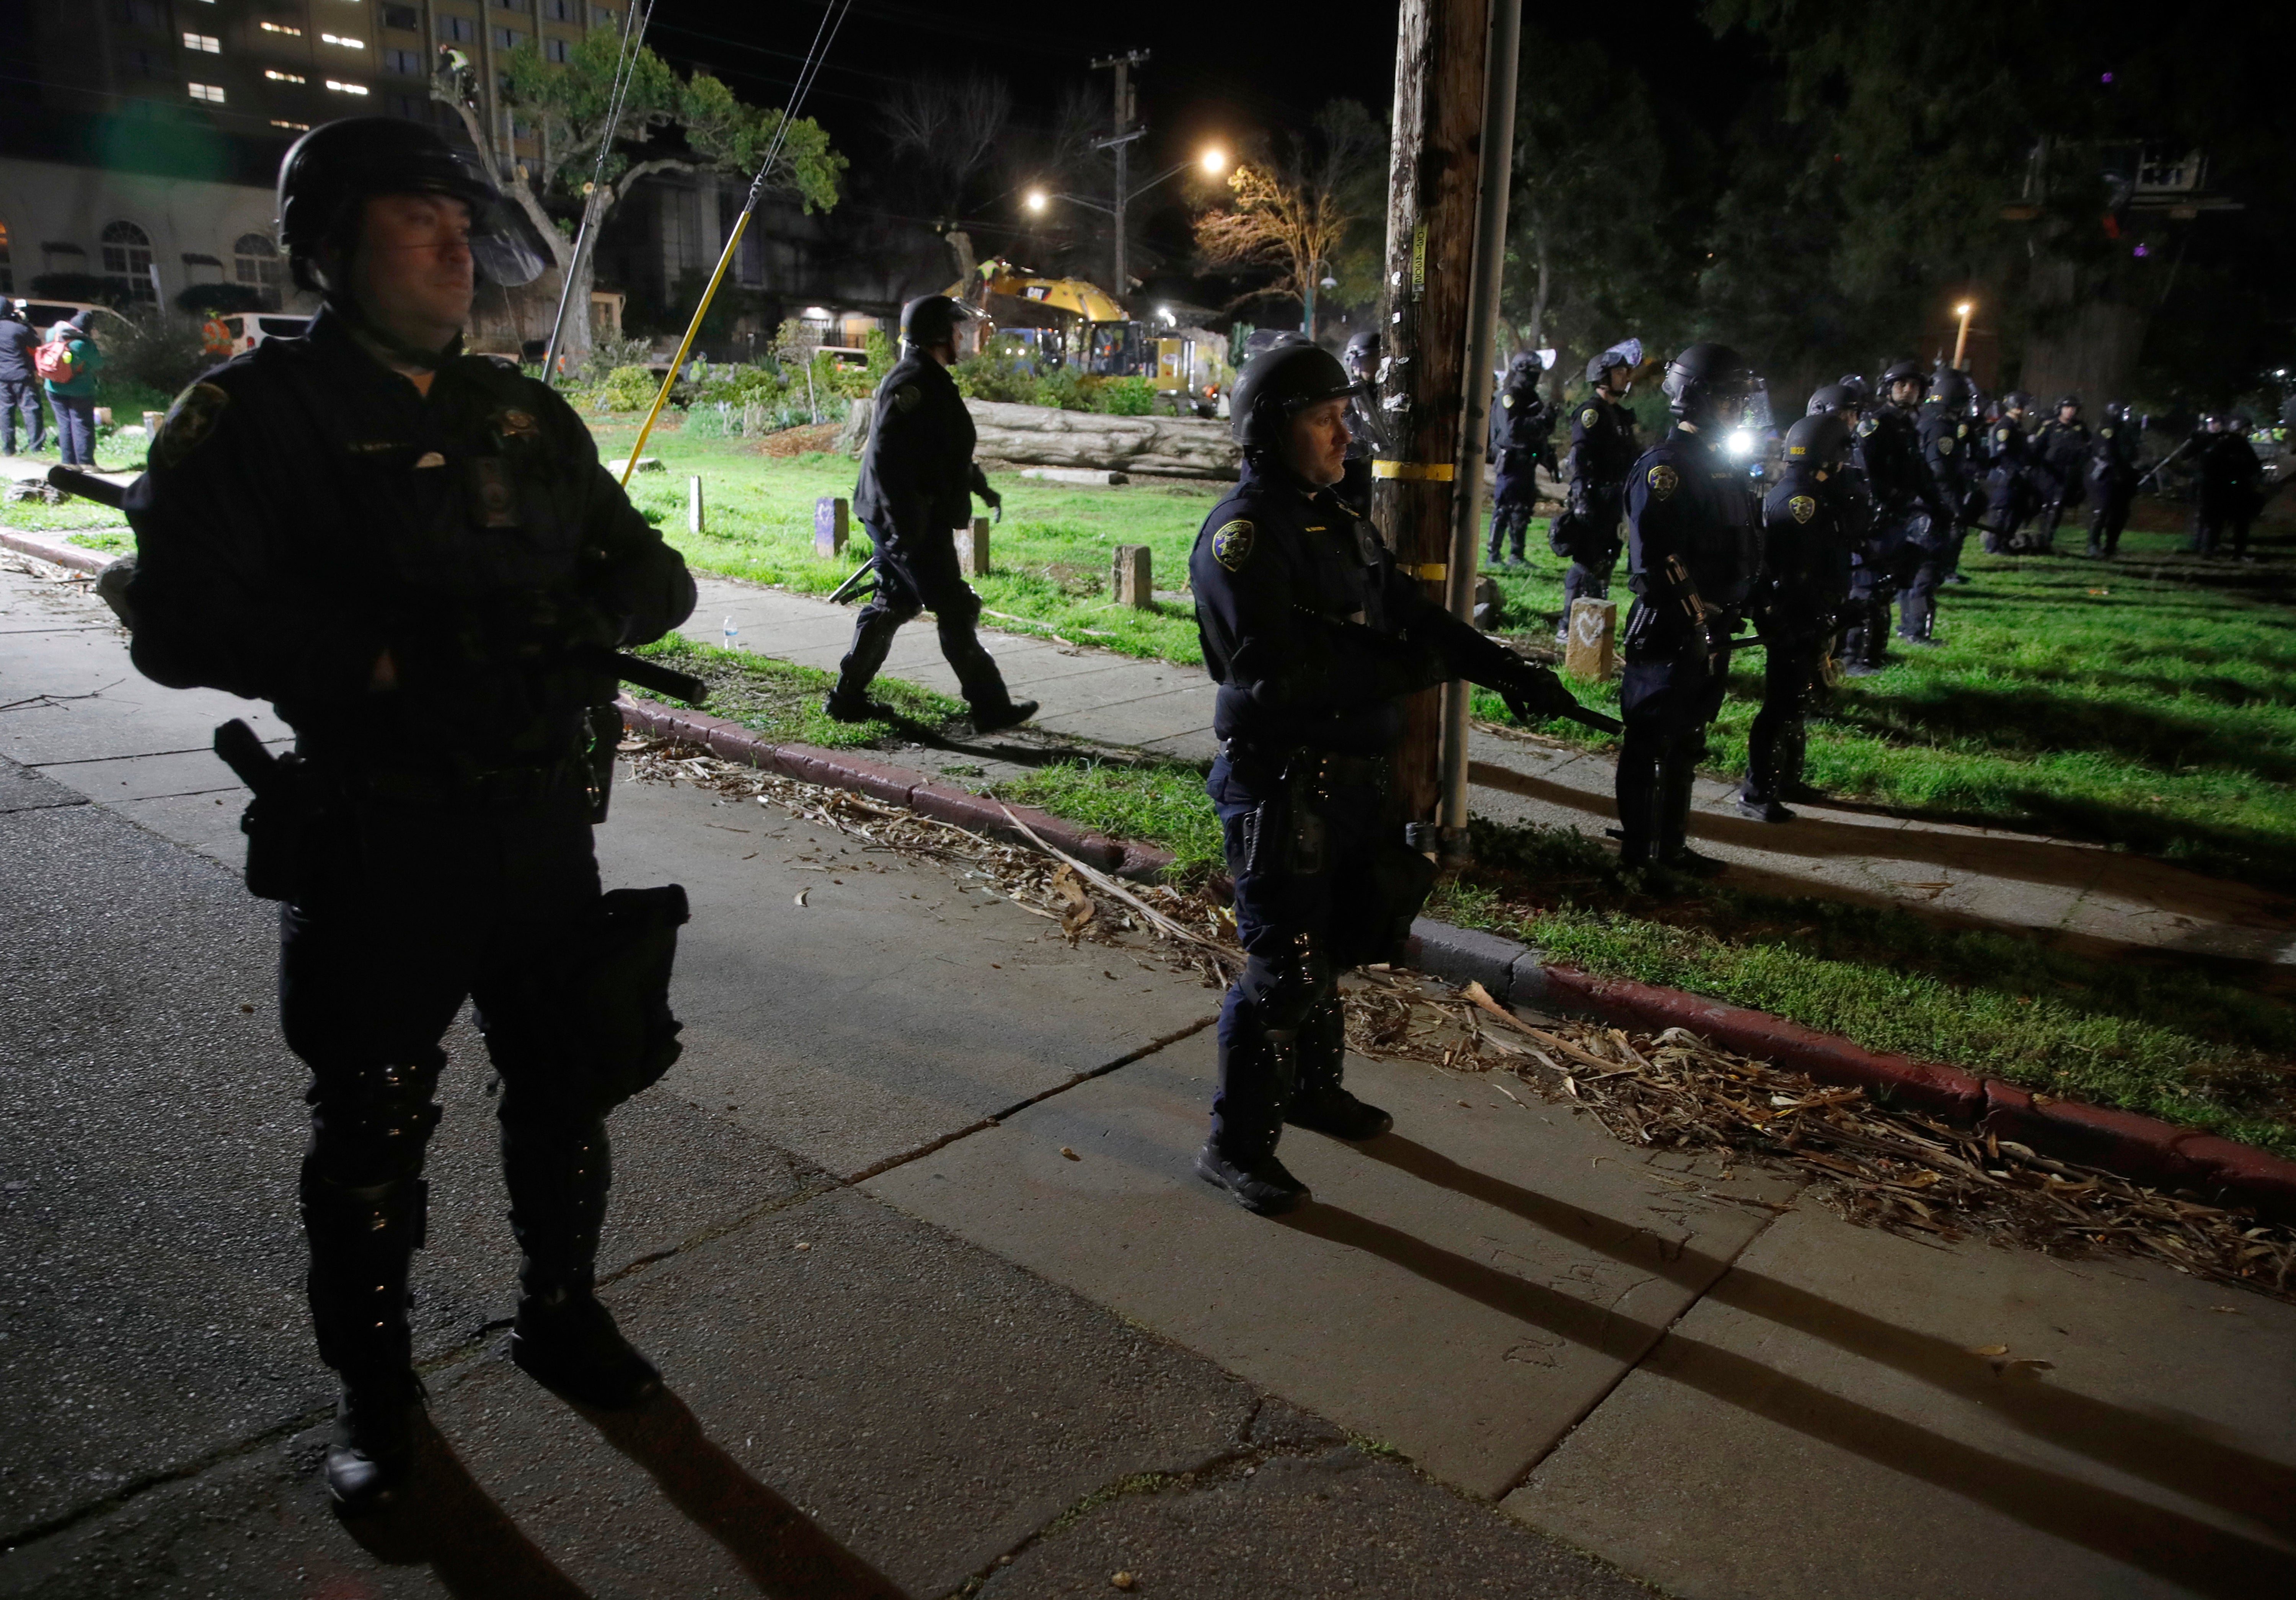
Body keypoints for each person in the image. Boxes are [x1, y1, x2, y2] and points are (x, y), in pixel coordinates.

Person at [119, 118, 698, 1512]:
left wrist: (577, 622)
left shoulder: (519, 414)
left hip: (539, 828)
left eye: (459, 219)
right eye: (413, 218)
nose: (453, 245)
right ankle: (378, 1401)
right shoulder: (257, 418)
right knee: (373, 1134)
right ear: (329, 247)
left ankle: (561, 1310)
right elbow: (177, 617)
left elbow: (657, 578)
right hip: (381, 836)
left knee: (564, 1088)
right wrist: (376, 661)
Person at [1187, 341, 1585, 1215]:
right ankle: (1235, 1145)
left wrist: (1502, 667)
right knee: (1284, 967)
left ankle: (1312, 1091)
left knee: (1330, 946)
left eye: (1343, 416)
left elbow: (1410, 614)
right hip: (1279, 777)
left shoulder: (1336, 518)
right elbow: (1280, 677)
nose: (1343, 433)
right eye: (1322, 419)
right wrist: (1421, 672)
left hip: (1348, 779)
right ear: (1269, 429)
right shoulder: (1245, 535)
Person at [828, 294, 1035, 730]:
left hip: (910, 518)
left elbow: (941, 450)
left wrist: (981, 487)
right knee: (954, 606)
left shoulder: (931, 378)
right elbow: (887, 458)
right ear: (939, 335)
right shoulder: (914, 382)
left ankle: (845, 699)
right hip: (909, 520)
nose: (965, 337)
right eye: (958, 330)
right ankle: (990, 706)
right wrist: (904, 527)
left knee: (893, 603)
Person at [1616, 342, 1762, 872]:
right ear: (1696, 400)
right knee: (1651, 745)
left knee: (1686, 743)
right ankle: (1639, 858)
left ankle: (1670, 847)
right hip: (1670, 629)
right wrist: (1695, 619)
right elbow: (1655, 561)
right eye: (1730, 401)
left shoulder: (1721, 466)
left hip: (1712, 627)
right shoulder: (1668, 468)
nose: (1739, 411)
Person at [1740, 411, 1862, 822]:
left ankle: (1784, 780)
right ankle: (1757, 792)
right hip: (1792, 618)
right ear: (1826, 455)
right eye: (1840, 455)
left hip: (1804, 616)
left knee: (1795, 701)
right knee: (1780, 705)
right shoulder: (1801, 501)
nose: (1844, 464)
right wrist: (1802, 616)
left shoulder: (1810, 493)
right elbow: (1795, 570)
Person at [1844, 359, 1949, 666]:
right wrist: (1884, 502)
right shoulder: (1875, 424)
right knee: (1865, 587)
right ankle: (1854, 656)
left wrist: (1938, 505)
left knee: (1886, 587)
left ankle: (1875, 652)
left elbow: (1920, 474)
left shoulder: (1908, 427)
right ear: (1888, 388)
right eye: (1901, 384)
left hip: (1899, 517)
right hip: (1876, 519)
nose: (1908, 390)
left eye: (1914, 386)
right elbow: (1865, 471)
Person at [1553, 341, 1642, 638]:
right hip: (1594, 498)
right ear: (1603, 376)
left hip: (1615, 501)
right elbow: (1581, 456)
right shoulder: (1592, 413)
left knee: (1607, 561)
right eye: (1620, 372)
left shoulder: (1620, 416)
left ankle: (1591, 623)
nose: (1626, 377)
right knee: (1587, 562)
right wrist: (1581, 497)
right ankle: (1569, 625)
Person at [1485, 349, 1553, 568]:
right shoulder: (1509, 396)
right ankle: (1493, 556)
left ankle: (1517, 555)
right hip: (1511, 462)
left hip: (1527, 463)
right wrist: (1541, 420)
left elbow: (1541, 431)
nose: (1536, 376)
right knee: (1504, 508)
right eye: (1532, 371)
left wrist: (1547, 425)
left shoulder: (1532, 397)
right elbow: (1513, 430)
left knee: (1522, 510)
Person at [2195, 413, 2264, 561]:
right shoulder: (2238, 444)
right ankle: (2237, 552)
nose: (2249, 433)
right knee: (2240, 522)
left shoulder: (2220, 443)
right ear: (2239, 428)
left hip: (2219, 489)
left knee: (2217, 522)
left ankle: (2209, 550)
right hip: (2232, 489)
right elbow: (2253, 465)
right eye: (2247, 429)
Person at [2028, 394, 2090, 553]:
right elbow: (2036, 448)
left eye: (2073, 409)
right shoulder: (2050, 426)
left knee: (2058, 506)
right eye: (2067, 408)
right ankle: (2038, 536)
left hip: (2068, 472)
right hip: (2049, 471)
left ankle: (2048, 538)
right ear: (2060, 409)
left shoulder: (2080, 428)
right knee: (2044, 505)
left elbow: (2088, 447)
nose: (2070, 412)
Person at [42, 311, 104, 468]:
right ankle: (86, 463)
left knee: (64, 424)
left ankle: (68, 462)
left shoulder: (52, 333)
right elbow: (99, 364)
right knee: (82, 424)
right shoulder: (84, 345)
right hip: (80, 390)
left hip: (54, 387)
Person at [2085, 402, 2141, 558]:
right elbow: (2108, 453)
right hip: (2107, 476)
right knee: (2102, 511)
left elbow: (2133, 453)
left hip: (2123, 476)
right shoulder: (2106, 429)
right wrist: (2119, 470)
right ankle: (2093, 545)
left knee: (2120, 514)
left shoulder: (2127, 430)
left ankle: (2111, 545)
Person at [1337, 328, 1381, 514]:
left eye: (1378, 359)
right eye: (1369, 359)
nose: (1375, 365)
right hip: (1349, 472)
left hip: (1373, 472)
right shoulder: (1343, 397)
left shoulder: (1387, 395)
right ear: (1352, 361)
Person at [0, 300, 46, 455]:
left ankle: (8, 448)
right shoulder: (18, 329)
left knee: (5, 411)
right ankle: (36, 446)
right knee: (30, 409)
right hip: (21, 375)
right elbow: (36, 342)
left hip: (2, 377)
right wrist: (25, 321)